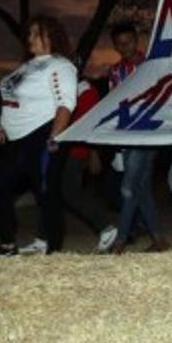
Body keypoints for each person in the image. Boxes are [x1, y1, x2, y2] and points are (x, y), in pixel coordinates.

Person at [0, 15, 78, 256]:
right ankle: (7, 244)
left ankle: (54, 248)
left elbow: (65, 103)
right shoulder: (27, 66)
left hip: (43, 133)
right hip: (16, 138)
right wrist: (2, 126)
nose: (29, 38)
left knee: (46, 191)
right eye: (29, 34)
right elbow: (13, 100)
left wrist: (55, 135)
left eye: (35, 33)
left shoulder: (61, 65)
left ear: (50, 35)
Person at [108, 22, 168, 253]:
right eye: (120, 44)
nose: (125, 47)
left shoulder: (151, 66)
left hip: (148, 133)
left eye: (129, 42)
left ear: (137, 40)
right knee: (140, 187)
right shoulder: (114, 71)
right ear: (115, 46)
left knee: (128, 188)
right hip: (126, 136)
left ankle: (121, 240)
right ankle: (159, 239)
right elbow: (114, 104)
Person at [62, 78, 118, 253]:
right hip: (61, 148)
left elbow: (91, 122)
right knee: (52, 193)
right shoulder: (64, 88)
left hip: (76, 149)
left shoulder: (87, 90)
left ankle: (107, 227)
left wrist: (93, 153)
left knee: (70, 192)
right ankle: (44, 239)